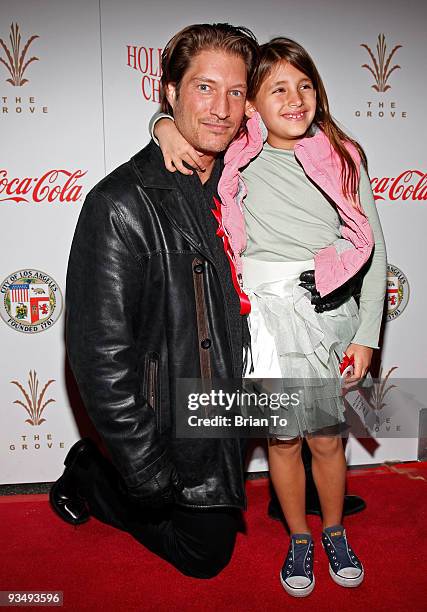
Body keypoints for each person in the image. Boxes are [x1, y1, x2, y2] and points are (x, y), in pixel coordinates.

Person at [151, 37, 387, 595]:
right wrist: (162, 124)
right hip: (258, 320)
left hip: (323, 314)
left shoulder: (343, 155)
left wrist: (368, 334)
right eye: (278, 87)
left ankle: (333, 531)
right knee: (283, 440)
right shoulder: (235, 153)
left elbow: (373, 248)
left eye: (305, 85)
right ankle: (299, 538)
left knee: (327, 437)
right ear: (252, 105)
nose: (296, 97)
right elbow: (186, 127)